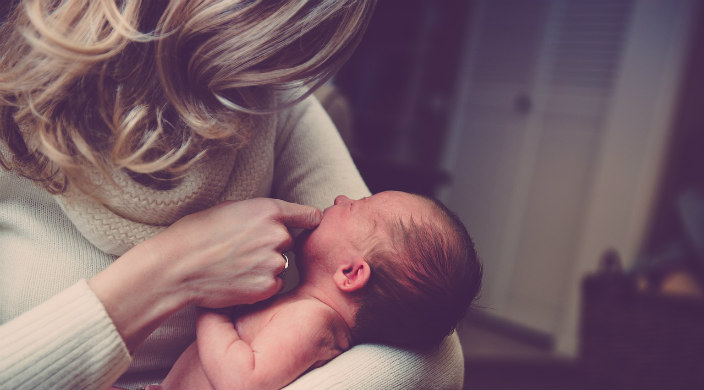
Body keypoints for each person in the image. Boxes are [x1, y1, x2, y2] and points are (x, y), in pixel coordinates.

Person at [148, 191, 482, 390]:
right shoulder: (310, 311)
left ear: (350, 273)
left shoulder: (311, 323)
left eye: (354, 206)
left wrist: (212, 304)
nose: (340, 197)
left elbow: (241, 381)